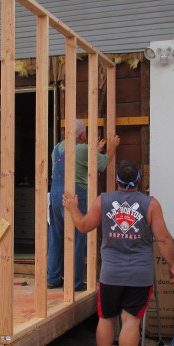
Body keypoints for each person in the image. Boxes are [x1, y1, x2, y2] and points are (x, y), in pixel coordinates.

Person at [62, 159, 174, 346]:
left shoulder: (104, 200)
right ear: (138, 180)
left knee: (106, 319)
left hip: (111, 275)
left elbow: (84, 226)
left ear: (116, 180)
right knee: (131, 321)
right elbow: (163, 239)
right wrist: (173, 266)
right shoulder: (150, 204)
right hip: (139, 275)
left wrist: (73, 208)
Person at [47, 119, 120, 291]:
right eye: (85, 133)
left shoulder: (57, 147)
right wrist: (113, 147)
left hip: (55, 194)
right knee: (77, 237)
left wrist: (95, 150)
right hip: (74, 196)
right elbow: (103, 163)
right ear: (81, 134)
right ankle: (75, 282)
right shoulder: (82, 149)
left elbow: (79, 158)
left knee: (55, 236)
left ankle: (53, 278)